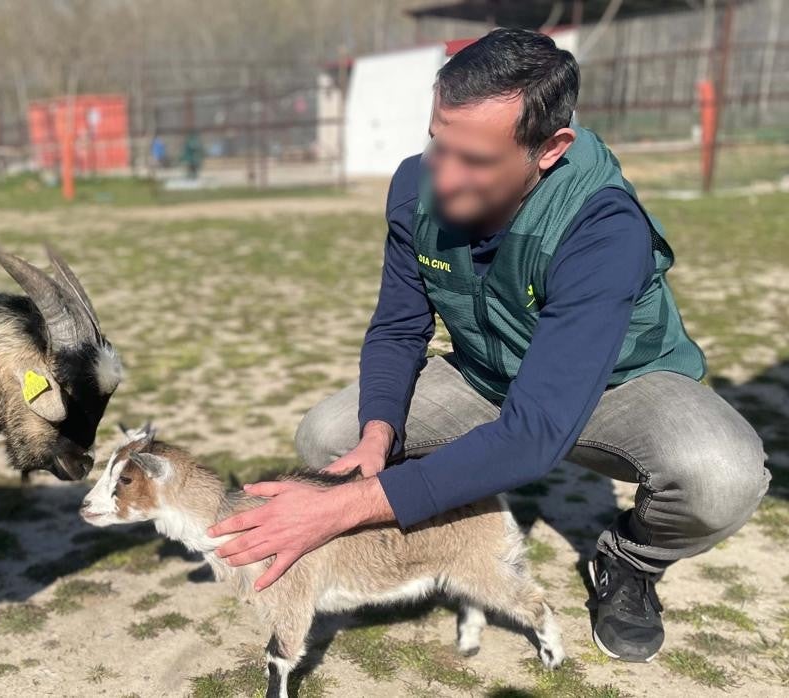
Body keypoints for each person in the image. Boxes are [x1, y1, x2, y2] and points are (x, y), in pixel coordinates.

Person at [208, 28, 768, 663]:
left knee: (723, 476)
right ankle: (434, 545)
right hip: (489, 374)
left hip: (616, 384)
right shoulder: (416, 189)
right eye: (438, 144)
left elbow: (535, 432)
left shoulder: (603, 227)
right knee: (330, 435)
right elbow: (397, 328)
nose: (443, 177)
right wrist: (376, 438)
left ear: (549, 149)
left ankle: (630, 562)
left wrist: (341, 510)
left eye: (474, 160)